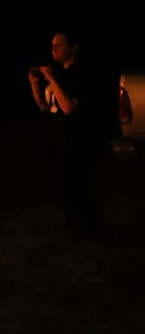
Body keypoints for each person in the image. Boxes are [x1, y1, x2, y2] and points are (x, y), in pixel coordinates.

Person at [28, 28, 117, 238]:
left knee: (80, 189)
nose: (54, 49)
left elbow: (68, 107)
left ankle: (91, 232)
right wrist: (34, 84)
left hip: (76, 142)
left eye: (59, 45)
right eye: (52, 45)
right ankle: (75, 231)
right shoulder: (61, 73)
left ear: (74, 47)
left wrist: (51, 78)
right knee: (66, 190)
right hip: (58, 142)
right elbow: (44, 106)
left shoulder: (82, 74)